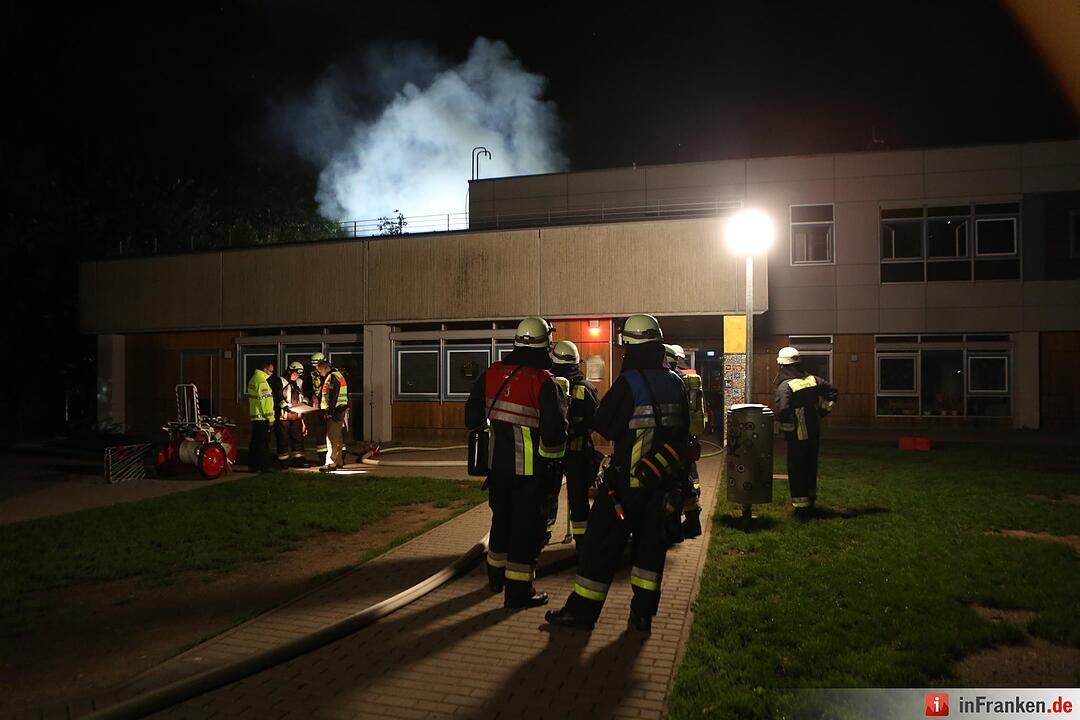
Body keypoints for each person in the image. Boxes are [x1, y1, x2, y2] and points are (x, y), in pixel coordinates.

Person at [546, 314, 689, 633]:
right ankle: (642, 615)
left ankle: (581, 613)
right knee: (650, 551)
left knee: (599, 547)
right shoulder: (676, 382)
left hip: (625, 485)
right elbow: (684, 432)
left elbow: (605, 425)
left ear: (631, 348)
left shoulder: (630, 383)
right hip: (661, 484)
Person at [465, 316, 568, 608]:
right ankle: (519, 593)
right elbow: (554, 435)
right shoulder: (544, 381)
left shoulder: (492, 373)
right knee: (526, 531)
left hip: (497, 469)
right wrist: (553, 469)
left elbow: (471, 418)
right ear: (546, 344)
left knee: (501, 522)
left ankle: (495, 578)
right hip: (531, 473)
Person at [774, 346, 839, 520]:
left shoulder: (785, 386)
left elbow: (783, 410)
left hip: (798, 434)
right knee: (811, 465)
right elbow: (833, 391)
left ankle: (801, 509)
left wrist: (787, 431)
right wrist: (822, 412)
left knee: (797, 467)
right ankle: (811, 500)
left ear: (782, 365)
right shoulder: (813, 379)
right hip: (814, 429)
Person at [550, 339, 599, 547]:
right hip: (578, 453)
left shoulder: (547, 383)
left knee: (548, 495)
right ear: (577, 362)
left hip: (550, 452)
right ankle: (582, 540)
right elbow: (596, 421)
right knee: (578, 498)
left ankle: (542, 534)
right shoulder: (586, 388)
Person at [665, 343, 706, 539]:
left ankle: (673, 528)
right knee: (687, 479)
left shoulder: (670, 381)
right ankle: (693, 522)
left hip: (674, 439)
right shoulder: (689, 378)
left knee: (673, 483)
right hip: (689, 437)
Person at [315, 357, 350, 472]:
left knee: (331, 438)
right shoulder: (338, 375)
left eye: (320, 370)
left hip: (335, 410)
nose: (319, 373)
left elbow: (333, 395)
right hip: (340, 409)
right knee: (338, 437)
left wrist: (330, 411)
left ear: (325, 368)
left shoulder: (332, 377)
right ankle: (338, 461)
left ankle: (331, 463)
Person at [274, 361, 308, 467]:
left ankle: (299, 461)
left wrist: (304, 404)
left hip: (297, 416)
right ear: (289, 371)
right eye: (295, 373)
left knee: (298, 439)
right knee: (283, 439)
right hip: (283, 417)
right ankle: (283, 462)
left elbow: (303, 395)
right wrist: (286, 408)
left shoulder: (299, 382)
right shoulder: (281, 381)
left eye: (299, 374)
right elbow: (278, 396)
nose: (296, 376)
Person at [246, 359, 276, 473]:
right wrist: (271, 418)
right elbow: (265, 402)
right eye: (271, 371)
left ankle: (253, 466)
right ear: (265, 369)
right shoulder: (262, 382)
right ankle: (265, 466)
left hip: (255, 415)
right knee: (263, 443)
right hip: (262, 417)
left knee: (255, 442)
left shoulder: (253, 379)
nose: (272, 373)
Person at [308, 352, 329, 466]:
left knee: (334, 432)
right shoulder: (311, 374)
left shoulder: (332, 374)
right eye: (314, 366)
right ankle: (322, 458)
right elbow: (307, 388)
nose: (316, 368)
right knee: (319, 432)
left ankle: (339, 458)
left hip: (329, 407)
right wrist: (312, 395)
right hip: (318, 407)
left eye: (317, 365)